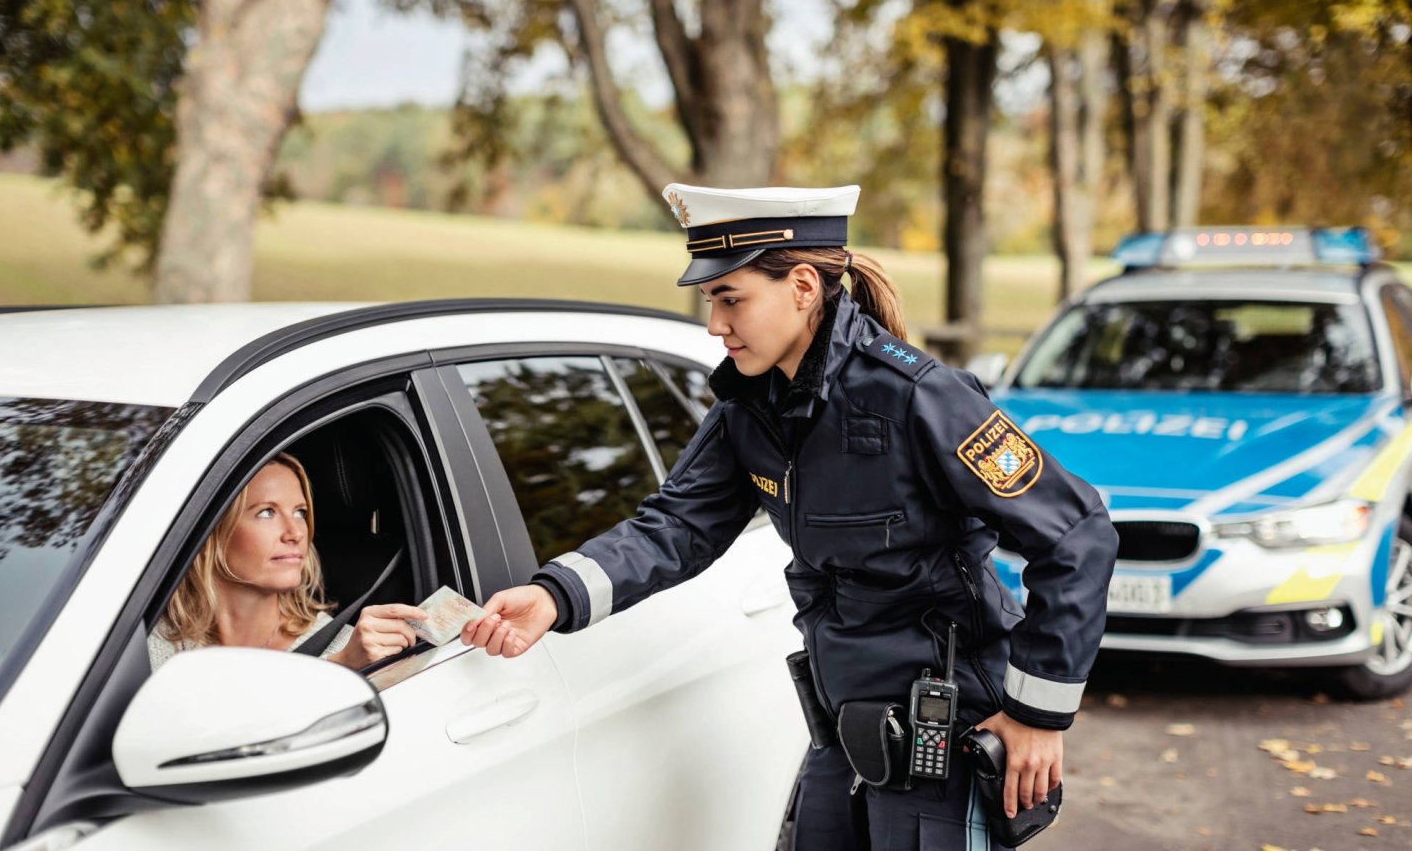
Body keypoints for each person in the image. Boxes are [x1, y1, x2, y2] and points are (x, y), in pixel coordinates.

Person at [461, 184, 1119, 850]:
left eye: (730, 298)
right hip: (844, 734)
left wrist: (1037, 714)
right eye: (710, 302)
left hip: (942, 739)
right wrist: (554, 595)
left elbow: (1078, 533)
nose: (715, 325)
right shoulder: (748, 408)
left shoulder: (920, 396)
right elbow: (677, 525)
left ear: (802, 286)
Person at [148, 452, 426, 672]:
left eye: (300, 513)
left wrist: (341, 666)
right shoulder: (155, 645)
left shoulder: (349, 647)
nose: (295, 533)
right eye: (267, 512)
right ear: (212, 532)